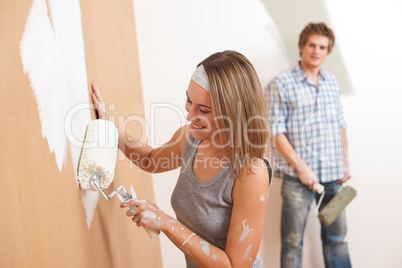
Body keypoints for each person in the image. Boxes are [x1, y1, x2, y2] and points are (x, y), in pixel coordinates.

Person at [91, 50, 272, 267]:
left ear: (232, 114)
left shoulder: (251, 173)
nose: (189, 115)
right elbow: (150, 159)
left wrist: (165, 222)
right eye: (189, 100)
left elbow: (234, 265)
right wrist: (110, 128)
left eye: (203, 110)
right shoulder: (189, 138)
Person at [264, 22, 352, 267]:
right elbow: (276, 132)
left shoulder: (332, 82)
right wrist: (302, 168)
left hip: (334, 178)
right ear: (302, 47)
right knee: (292, 244)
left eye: (322, 47)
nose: (316, 50)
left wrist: (345, 165)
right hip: (296, 179)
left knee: (337, 239)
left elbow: (341, 125)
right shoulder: (280, 83)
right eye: (312, 45)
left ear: (327, 51)